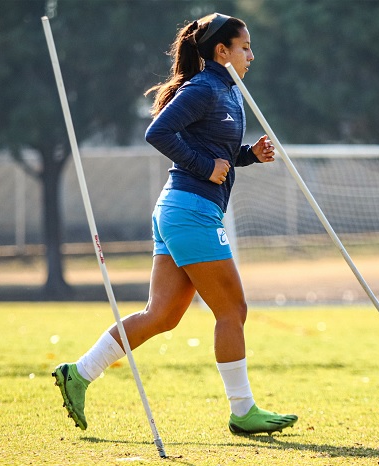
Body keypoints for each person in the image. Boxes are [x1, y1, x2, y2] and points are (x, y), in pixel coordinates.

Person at [52, 12, 298, 436]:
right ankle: (243, 410)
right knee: (233, 309)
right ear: (222, 51)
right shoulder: (204, 87)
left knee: (162, 315)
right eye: (245, 47)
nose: (251, 56)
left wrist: (247, 155)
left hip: (181, 209)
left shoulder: (227, 92)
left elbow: (215, 151)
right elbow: (159, 132)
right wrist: (206, 166)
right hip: (191, 210)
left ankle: (78, 373)